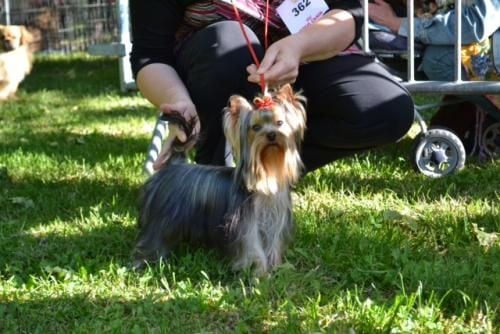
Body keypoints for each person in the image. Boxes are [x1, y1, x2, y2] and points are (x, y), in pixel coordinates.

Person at [129, 0, 415, 173]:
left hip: (308, 55)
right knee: (228, 43)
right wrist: (178, 100)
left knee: (388, 109)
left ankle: (270, 171)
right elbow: (149, 55)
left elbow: (349, 15)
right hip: (218, 67)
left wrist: (299, 47)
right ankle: (219, 173)